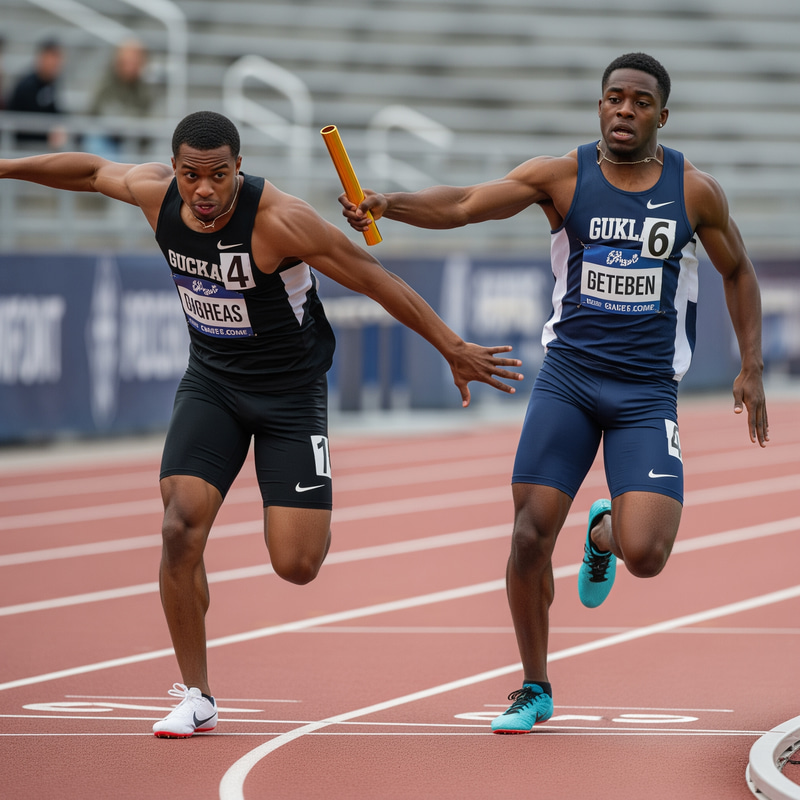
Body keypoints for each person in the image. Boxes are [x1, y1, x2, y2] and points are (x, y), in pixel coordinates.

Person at [0, 110, 523, 738]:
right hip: (212, 383)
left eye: (218, 175)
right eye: (191, 175)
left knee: (297, 563)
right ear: (174, 171)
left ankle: (308, 498)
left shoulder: (281, 220)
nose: (204, 190)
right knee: (177, 527)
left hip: (290, 394)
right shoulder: (153, 195)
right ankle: (196, 694)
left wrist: (452, 347)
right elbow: (88, 170)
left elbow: (375, 279)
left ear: (238, 169)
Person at [339, 52, 769, 734]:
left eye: (638, 101)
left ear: (663, 113)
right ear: (600, 106)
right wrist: (390, 204)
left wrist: (752, 365)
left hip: (646, 393)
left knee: (647, 555)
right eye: (613, 98)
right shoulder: (562, 177)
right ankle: (534, 686)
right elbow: (465, 204)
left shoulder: (696, 193)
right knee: (529, 533)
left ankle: (603, 532)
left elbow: (739, 270)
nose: (623, 110)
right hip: (568, 379)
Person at [85, 38, 153, 158]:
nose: (131, 66)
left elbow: (149, 119)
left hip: (132, 142)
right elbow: (95, 112)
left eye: (135, 61)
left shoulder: (144, 89)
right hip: (107, 139)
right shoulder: (106, 84)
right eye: (127, 61)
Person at [6, 37, 67, 148]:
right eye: (53, 57)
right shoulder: (26, 85)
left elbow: (56, 112)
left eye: (59, 58)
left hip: (46, 146)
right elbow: (20, 121)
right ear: (42, 57)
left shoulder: (53, 84)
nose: (56, 63)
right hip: (26, 146)